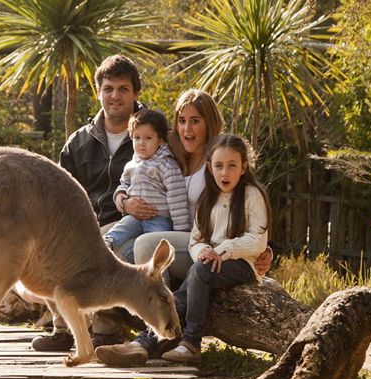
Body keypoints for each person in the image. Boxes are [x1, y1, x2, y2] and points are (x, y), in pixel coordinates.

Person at [96, 134, 271, 365]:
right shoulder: (208, 198)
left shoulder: (252, 195)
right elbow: (195, 240)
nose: (224, 173)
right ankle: (144, 344)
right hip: (210, 264)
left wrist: (223, 251)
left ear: (243, 167)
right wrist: (203, 252)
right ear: (209, 167)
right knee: (190, 283)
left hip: (243, 265)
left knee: (198, 272)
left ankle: (190, 342)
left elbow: (257, 240)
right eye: (218, 166)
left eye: (232, 166)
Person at [31, 54, 143, 352]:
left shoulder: (152, 135)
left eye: (123, 89)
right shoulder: (78, 141)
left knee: (103, 248)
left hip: (129, 223)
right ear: (99, 92)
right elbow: (58, 193)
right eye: (108, 88)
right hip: (83, 222)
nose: (115, 96)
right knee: (42, 247)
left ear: (135, 93)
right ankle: (63, 329)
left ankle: (106, 331)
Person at [115, 90, 274, 283]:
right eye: (182, 120)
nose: (187, 129)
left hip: (201, 243)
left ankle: (163, 307)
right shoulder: (168, 149)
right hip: (160, 227)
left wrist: (265, 249)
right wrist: (123, 199)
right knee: (119, 247)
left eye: (195, 121)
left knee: (144, 246)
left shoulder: (220, 159)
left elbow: (249, 202)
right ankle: (116, 312)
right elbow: (136, 168)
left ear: (209, 123)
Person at [102, 108, 188, 261]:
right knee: (122, 227)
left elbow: (177, 199)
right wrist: (121, 197)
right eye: (136, 138)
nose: (141, 143)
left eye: (148, 138)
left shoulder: (166, 165)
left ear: (160, 140)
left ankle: (161, 279)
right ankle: (106, 244)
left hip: (159, 219)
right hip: (134, 217)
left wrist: (181, 230)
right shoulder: (132, 164)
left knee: (153, 252)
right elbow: (124, 184)